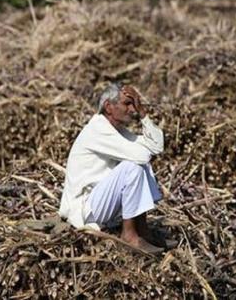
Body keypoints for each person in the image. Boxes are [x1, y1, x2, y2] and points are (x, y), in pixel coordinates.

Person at [59, 83, 168, 254]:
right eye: (127, 104)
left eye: (133, 105)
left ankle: (142, 230)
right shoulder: (98, 129)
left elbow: (157, 147)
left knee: (139, 162)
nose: (131, 109)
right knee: (133, 166)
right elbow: (143, 155)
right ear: (109, 107)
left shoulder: (118, 131)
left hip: (101, 204)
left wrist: (143, 113)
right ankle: (129, 236)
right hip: (85, 209)